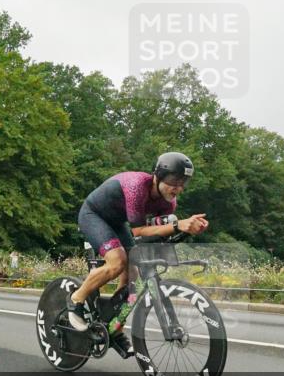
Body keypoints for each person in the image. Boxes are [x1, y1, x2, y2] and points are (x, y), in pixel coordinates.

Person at [67, 152, 209, 356]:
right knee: (117, 262)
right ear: (158, 176)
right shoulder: (137, 187)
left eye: (183, 182)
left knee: (132, 275)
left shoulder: (169, 202)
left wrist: (187, 229)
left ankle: (113, 325)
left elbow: (159, 231)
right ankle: (76, 299)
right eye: (174, 181)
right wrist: (179, 225)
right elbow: (138, 231)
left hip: (118, 222)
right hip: (94, 215)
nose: (178, 188)